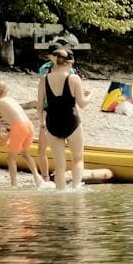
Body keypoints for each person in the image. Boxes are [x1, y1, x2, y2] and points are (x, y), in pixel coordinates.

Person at [38, 46, 86, 190]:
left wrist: (42, 123)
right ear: (70, 63)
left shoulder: (44, 79)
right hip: (72, 122)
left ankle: (60, 195)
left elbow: (39, 106)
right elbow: (82, 103)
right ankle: (76, 188)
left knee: (60, 166)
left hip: (52, 122)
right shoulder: (74, 78)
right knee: (77, 158)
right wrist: (91, 95)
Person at [0, 87, 46, 188]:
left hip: (19, 127)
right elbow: (16, 124)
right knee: (25, 154)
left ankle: (14, 185)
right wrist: (6, 138)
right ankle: (37, 178)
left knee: (11, 159)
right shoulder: (12, 100)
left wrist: (1, 138)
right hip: (29, 126)